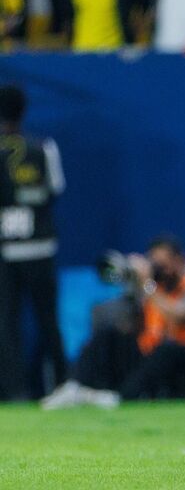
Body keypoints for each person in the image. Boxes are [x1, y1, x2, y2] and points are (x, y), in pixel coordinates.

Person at [41, 235, 185, 408]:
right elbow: (119, 319)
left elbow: (179, 315)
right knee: (108, 334)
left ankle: (122, 397)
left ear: (180, 260)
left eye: (163, 264)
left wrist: (147, 284)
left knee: (167, 349)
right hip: (152, 349)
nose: (161, 270)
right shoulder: (155, 286)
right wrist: (133, 284)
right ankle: (74, 386)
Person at [0, 85, 67, 399]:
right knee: (48, 319)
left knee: (7, 323)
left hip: (6, 250)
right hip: (40, 246)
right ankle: (61, 385)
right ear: (23, 111)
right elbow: (55, 189)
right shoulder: (43, 147)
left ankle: (15, 391)